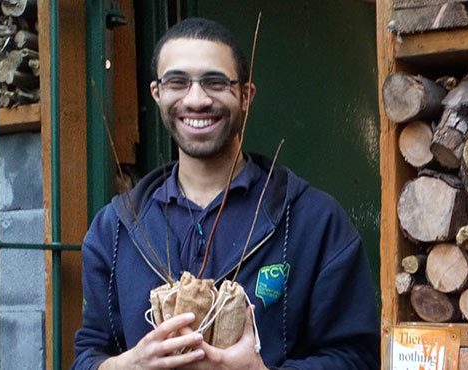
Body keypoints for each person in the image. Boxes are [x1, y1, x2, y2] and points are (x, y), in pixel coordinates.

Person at [71, 17, 380, 370]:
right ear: (157, 93)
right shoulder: (114, 229)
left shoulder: (316, 221)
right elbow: (88, 356)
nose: (197, 99)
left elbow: (357, 359)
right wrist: (128, 366)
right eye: (178, 82)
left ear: (246, 95)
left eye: (215, 82)